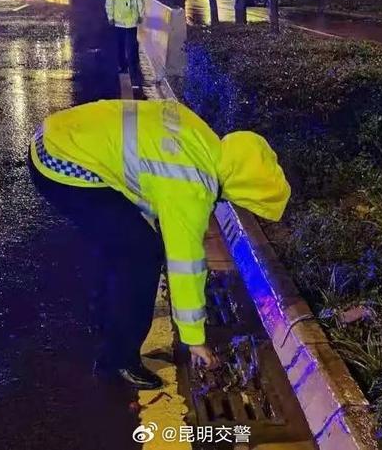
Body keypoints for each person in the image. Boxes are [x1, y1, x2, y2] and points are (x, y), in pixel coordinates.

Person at [28, 99, 291, 390]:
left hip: (57, 135)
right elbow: (184, 264)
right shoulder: (192, 187)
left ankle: (104, 313)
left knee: (124, 240)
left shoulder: (203, 139)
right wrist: (194, 339)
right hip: (64, 165)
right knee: (141, 256)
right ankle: (118, 360)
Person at [105, 0, 144, 82]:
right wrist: (110, 16)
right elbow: (109, 2)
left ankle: (133, 69)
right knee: (120, 46)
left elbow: (140, 1)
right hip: (118, 21)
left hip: (131, 21)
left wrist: (141, 15)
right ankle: (122, 66)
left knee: (132, 46)